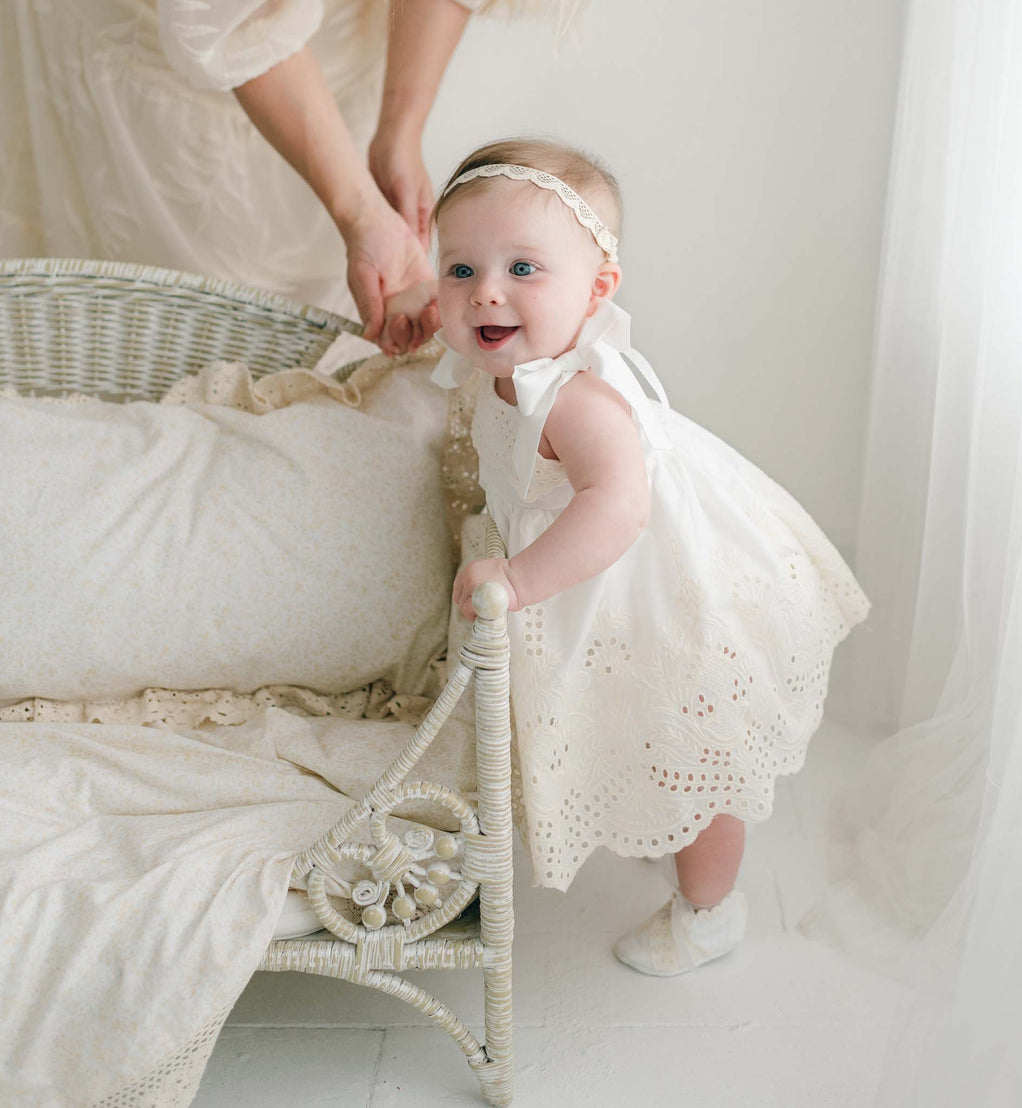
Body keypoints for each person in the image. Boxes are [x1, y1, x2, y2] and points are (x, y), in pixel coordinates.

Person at [419, 137, 872, 976]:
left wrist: (515, 579)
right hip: (607, 588)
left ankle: (710, 913)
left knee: (692, 751)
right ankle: (663, 834)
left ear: (596, 291)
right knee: (634, 733)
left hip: (668, 595)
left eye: (524, 270)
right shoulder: (512, 364)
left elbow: (618, 508)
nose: (486, 291)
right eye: (460, 270)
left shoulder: (577, 399)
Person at [0, 0, 486, 346]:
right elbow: (234, 19)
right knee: (167, 320)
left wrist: (400, 129)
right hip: (162, 52)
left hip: (347, 52)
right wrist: (360, 211)